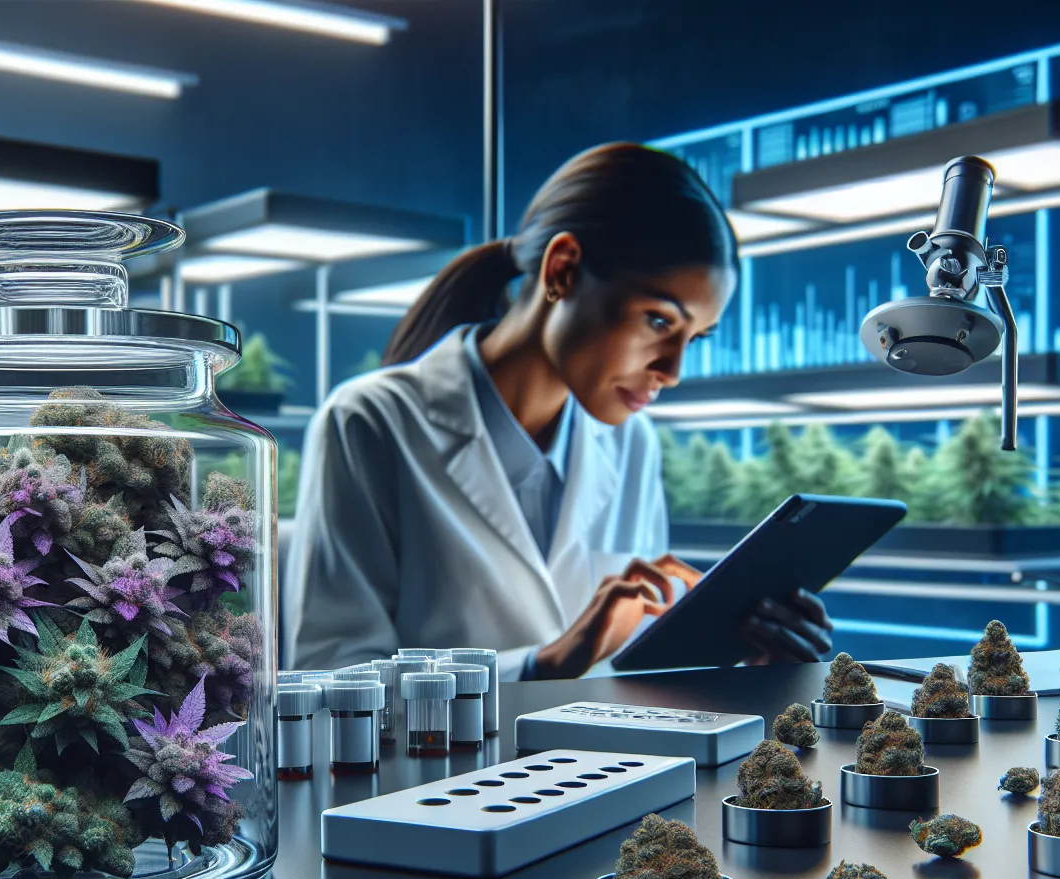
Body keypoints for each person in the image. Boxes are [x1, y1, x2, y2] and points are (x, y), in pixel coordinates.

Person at [284, 142, 833, 681]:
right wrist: (543, 663)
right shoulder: (368, 422)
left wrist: (747, 666)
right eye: (660, 321)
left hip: (601, 770)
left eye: (696, 337)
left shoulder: (632, 440)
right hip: (439, 773)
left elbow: (631, 670)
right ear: (564, 270)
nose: (672, 370)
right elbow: (331, 677)